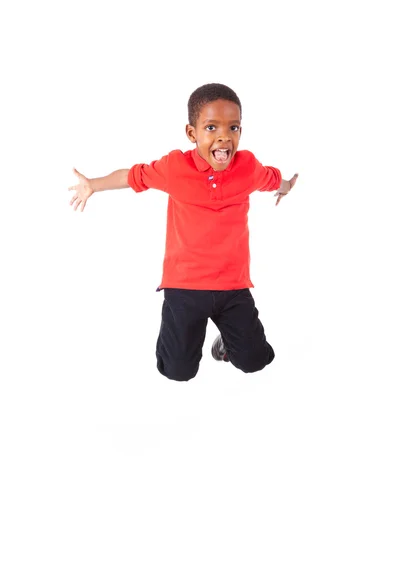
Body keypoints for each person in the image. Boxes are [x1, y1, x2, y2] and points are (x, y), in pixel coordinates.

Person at [68, 83, 298, 382]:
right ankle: (177, 346)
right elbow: (130, 176)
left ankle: (229, 343)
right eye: (211, 127)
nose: (224, 136)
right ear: (192, 134)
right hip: (185, 286)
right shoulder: (175, 168)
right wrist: (93, 184)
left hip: (232, 286)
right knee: (178, 371)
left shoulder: (248, 167)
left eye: (234, 127)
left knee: (256, 360)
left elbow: (272, 179)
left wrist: (288, 186)